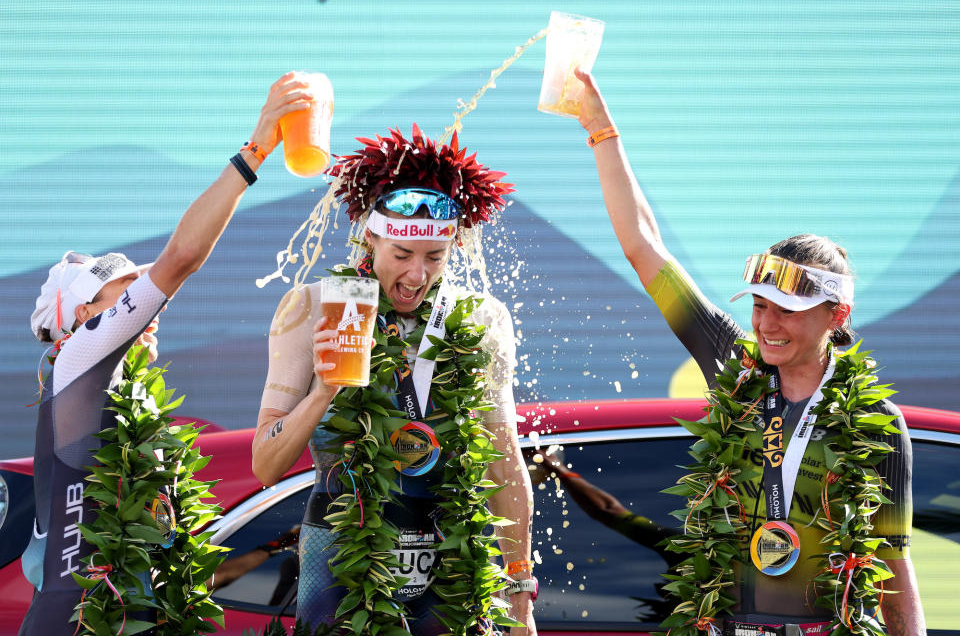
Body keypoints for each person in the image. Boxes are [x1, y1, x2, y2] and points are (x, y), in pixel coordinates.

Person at [572, 69, 924, 636]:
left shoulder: (877, 424)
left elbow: (893, 572)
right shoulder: (735, 372)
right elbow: (645, 250)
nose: (766, 324)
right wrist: (600, 130)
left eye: (787, 309)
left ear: (837, 318)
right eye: (759, 305)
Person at [19, 72, 313, 636]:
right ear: (84, 317)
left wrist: (274, 548)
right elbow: (179, 259)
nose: (148, 311)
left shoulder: (130, 410)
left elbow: (174, 578)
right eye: (122, 293)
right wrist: (257, 149)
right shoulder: (78, 360)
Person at [252, 126, 536, 636]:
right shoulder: (314, 305)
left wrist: (519, 590)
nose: (416, 275)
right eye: (401, 255)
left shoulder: (484, 319)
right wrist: (324, 391)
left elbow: (504, 458)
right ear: (370, 238)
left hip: (450, 558)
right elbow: (266, 466)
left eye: (435, 258)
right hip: (343, 556)